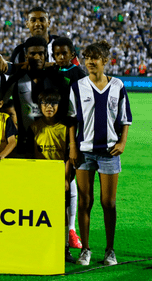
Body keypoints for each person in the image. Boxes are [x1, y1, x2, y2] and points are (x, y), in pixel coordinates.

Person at [69, 40, 132, 266]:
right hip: (84, 152)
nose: (90, 62)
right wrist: (73, 147)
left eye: (95, 58)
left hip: (109, 152)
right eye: (87, 58)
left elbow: (125, 119)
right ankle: (85, 249)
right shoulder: (77, 86)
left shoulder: (118, 85)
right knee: (85, 202)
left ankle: (109, 250)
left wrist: (122, 143)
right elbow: (71, 120)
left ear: (105, 61)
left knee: (109, 203)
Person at [28, 88, 75, 262]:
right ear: (39, 106)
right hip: (40, 177)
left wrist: (65, 178)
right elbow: (30, 155)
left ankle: (64, 248)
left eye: (54, 103)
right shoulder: (33, 127)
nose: (49, 107)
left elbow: (68, 156)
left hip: (59, 178)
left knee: (61, 213)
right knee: (38, 213)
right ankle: (39, 245)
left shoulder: (64, 127)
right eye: (45, 103)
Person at [51, 36, 85, 250]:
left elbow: (78, 111)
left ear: (73, 55)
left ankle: (70, 230)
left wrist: (74, 141)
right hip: (48, 131)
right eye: (57, 54)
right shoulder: (50, 72)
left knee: (68, 178)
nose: (61, 57)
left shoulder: (79, 75)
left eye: (65, 53)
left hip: (71, 134)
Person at [7, 36, 65, 155]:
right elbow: (1, 101)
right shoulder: (16, 80)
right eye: (33, 54)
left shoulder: (56, 79)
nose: (37, 57)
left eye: (41, 53)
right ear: (26, 55)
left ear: (46, 55)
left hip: (51, 142)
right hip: (24, 141)